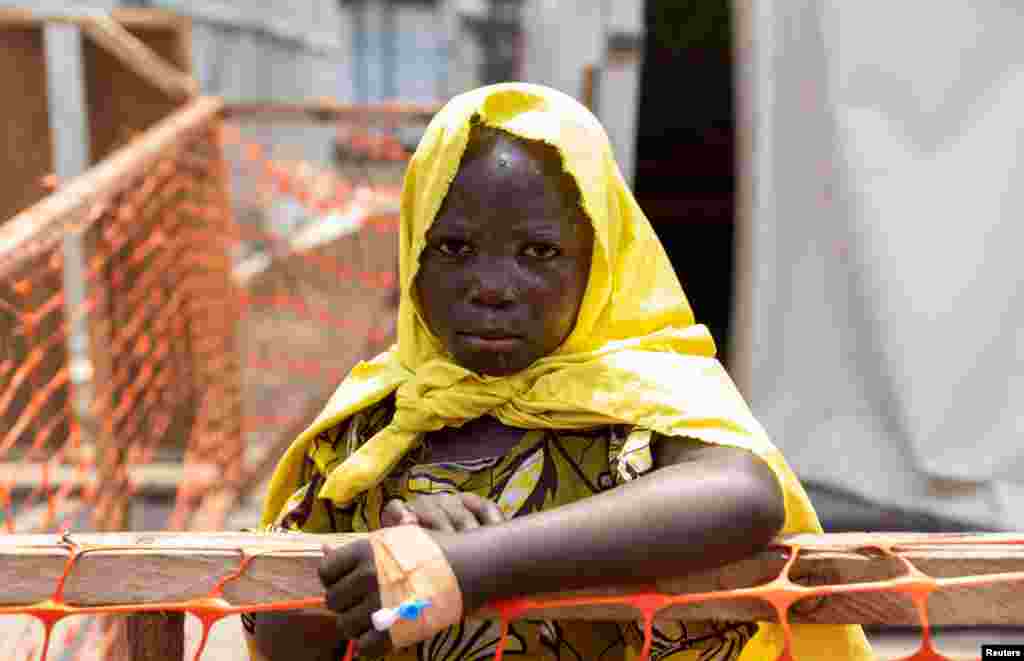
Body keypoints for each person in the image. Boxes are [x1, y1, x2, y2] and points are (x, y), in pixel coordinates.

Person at [244, 83, 872, 661]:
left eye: (538, 253)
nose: (491, 288)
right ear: (413, 255)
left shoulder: (637, 397)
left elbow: (742, 495)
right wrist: (380, 578)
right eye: (454, 248)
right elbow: (277, 634)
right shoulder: (373, 428)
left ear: (598, 262)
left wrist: (475, 562)